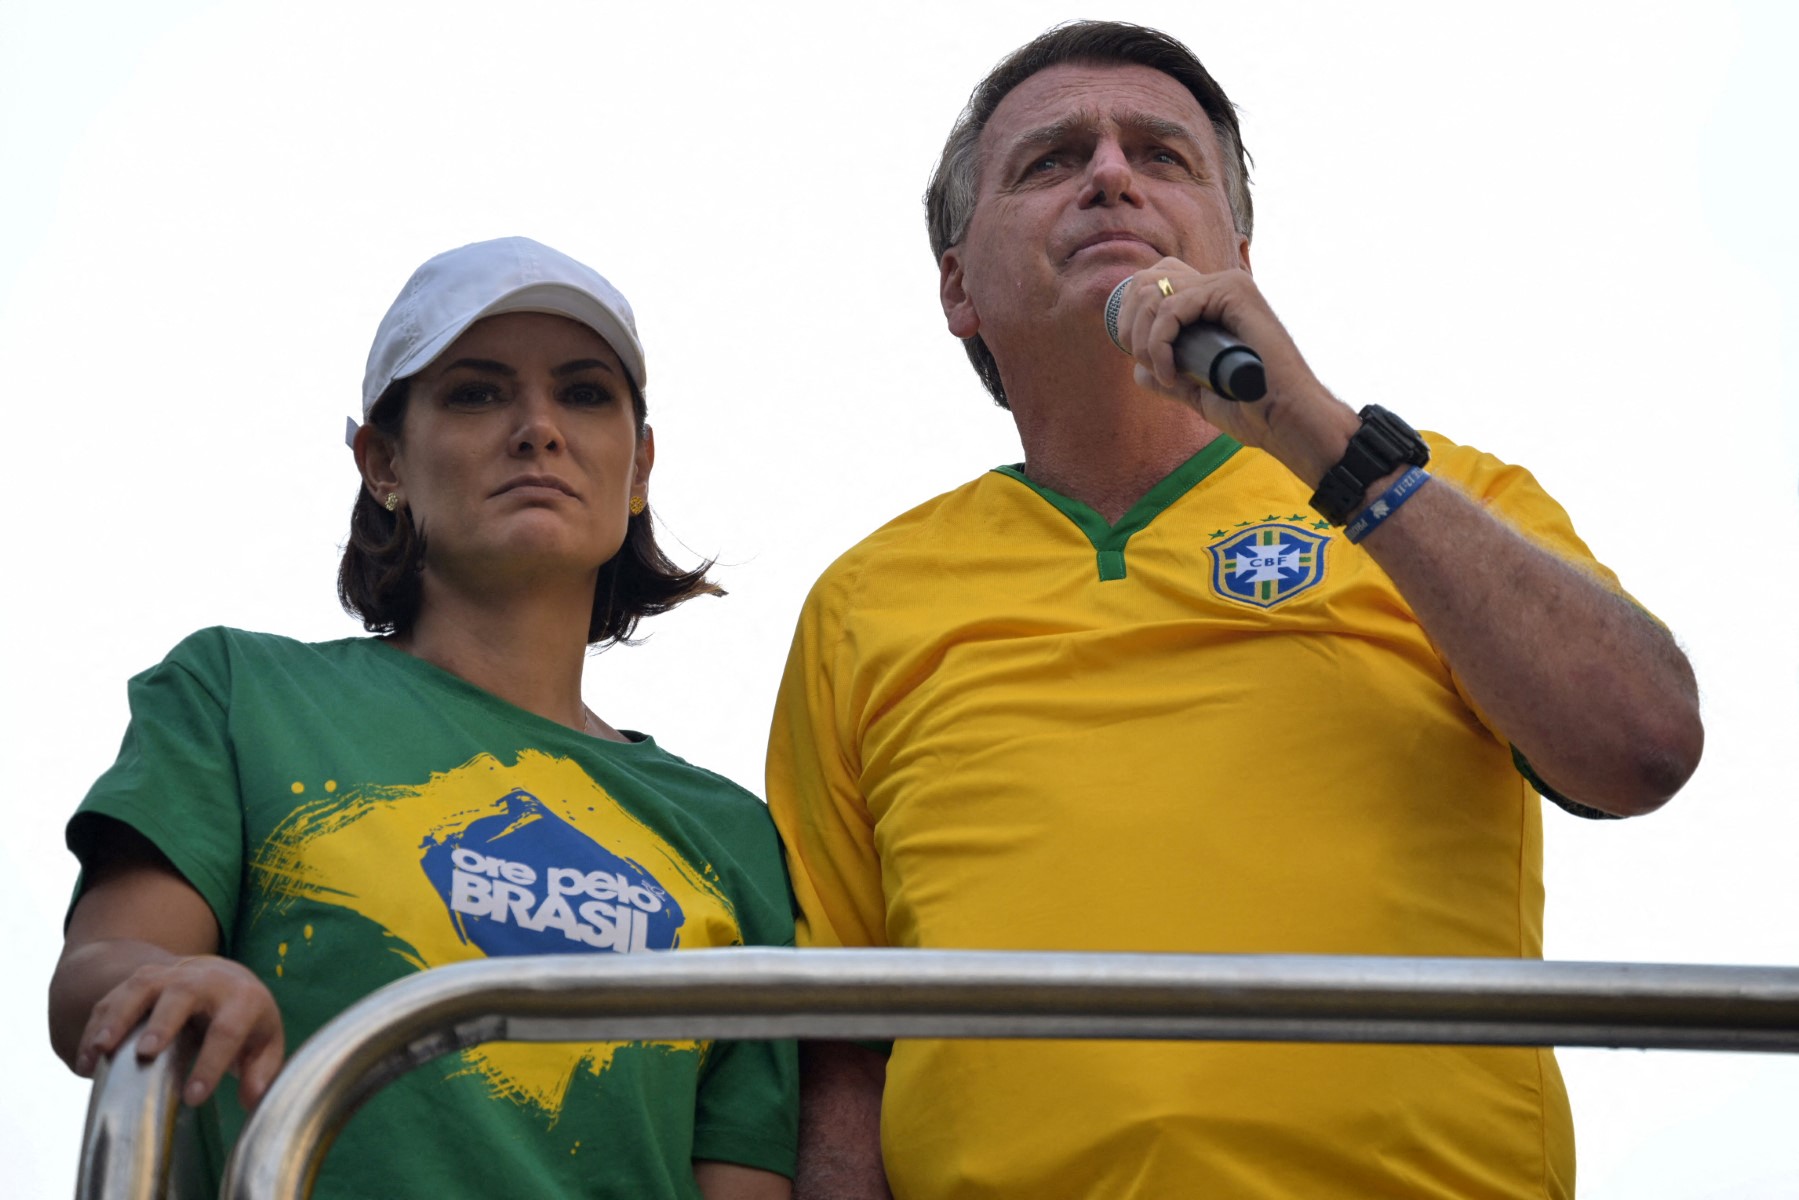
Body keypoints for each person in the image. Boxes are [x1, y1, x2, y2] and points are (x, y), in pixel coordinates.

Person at [766, 21, 1703, 1200]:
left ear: (1240, 254)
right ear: (957, 286)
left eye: (1161, 156)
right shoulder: (863, 601)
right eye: (1050, 161)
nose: (1110, 173)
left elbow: (1642, 745)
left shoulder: (1442, 501)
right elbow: (839, 1046)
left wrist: (1322, 438)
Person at [50, 237, 797, 1199]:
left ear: (639, 463)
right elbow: (99, 975)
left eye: (583, 393)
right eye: (477, 393)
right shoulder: (241, 695)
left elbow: (744, 1175)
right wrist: (169, 981)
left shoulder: (730, 833)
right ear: (383, 458)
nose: (537, 429)